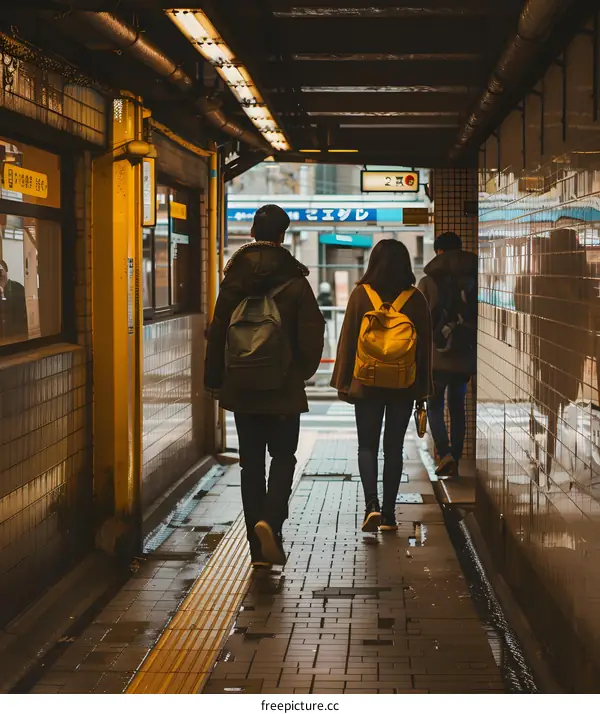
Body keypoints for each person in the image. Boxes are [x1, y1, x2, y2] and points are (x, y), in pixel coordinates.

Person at [204, 204, 324, 567]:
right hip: (283, 388)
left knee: (250, 464)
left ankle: (256, 552)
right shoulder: (296, 280)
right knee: (284, 458)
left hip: (241, 386)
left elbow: (217, 331)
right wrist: (299, 372)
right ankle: (271, 522)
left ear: (254, 232)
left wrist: (214, 381)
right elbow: (312, 331)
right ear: (283, 235)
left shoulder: (233, 278)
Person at [331, 239, 433, 532]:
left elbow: (348, 340)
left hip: (366, 383)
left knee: (367, 446)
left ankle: (371, 506)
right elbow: (425, 348)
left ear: (372, 263)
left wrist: (343, 383)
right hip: (404, 385)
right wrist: (423, 391)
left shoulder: (360, 296)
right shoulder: (415, 298)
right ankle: (389, 515)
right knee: (394, 448)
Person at [418, 231, 478, 479]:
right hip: (464, 354)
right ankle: (456, 456)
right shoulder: (475, 277)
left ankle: (445, 455)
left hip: (437, 356)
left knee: (434, 405)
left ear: (439, 251)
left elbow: (421, 318)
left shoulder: (428, 281)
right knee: (457, 407)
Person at [0, 259, 27, 342]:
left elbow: (24, 314)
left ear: (6, 270)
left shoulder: (18, 288)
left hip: (17, 336)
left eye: (1, 270)